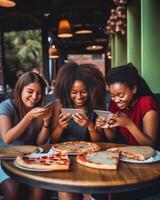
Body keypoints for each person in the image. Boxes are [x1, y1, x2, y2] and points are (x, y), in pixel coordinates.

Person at [50, 62, 107, 200]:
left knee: (92, 194)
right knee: (65, 191)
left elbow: (99, 143)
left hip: (89, 157)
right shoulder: (60, 105)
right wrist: (60, 128)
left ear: (91, 89)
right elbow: (52, 140)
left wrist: (90, 126)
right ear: (67, 91)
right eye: (74, 92)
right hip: (64, 157)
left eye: (83, 91)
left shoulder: (96, 106)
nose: (79, 97)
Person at [0, 72, 53, 200]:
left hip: (30, 157)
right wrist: (28, 117)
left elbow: (40, 142)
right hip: (5, 158)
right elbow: (7, 138)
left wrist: (46, 123)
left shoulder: (39, 108)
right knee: (13, 191)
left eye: (39, 93)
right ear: (20, 90)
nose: (34, 97)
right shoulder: (6, 106)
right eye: (30, 91)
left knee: (40, 191)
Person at [96, 63, 160, 147]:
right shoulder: (115, 103)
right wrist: (106, 126)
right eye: (112, 95)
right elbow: (112, 138)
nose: (116, 100)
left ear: (133, 89)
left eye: (121, 95)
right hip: (126, 152)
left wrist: (128, 124)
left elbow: (150, 144)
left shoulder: (146, 102)